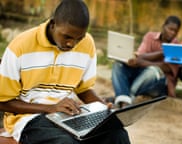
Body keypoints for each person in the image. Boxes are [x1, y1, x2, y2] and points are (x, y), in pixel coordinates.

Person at [0, 0, 130, 144]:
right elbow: (3, 102)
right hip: (28, 118)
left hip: (69, 115)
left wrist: (103, 108)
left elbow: (84, 89)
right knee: (65, 142)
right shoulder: (20, 46)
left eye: (79, 38)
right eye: (67, 36)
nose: (72, 44)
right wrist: (51, 108)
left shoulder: (87, 44)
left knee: (117, 134)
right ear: (53, 24)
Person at [111, 16, 181, 108]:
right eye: (170, 29)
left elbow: (166, 68)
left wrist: (142, 62)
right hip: (141, 76)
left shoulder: (176, 46)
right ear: (163, 26)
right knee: (118, 64)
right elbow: (140, 56)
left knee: (153, 71)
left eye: (175, 31)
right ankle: (123, 98)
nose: (172, 33)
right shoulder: (150, 36)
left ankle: (126, 98)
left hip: (158, 84)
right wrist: (161, 53)